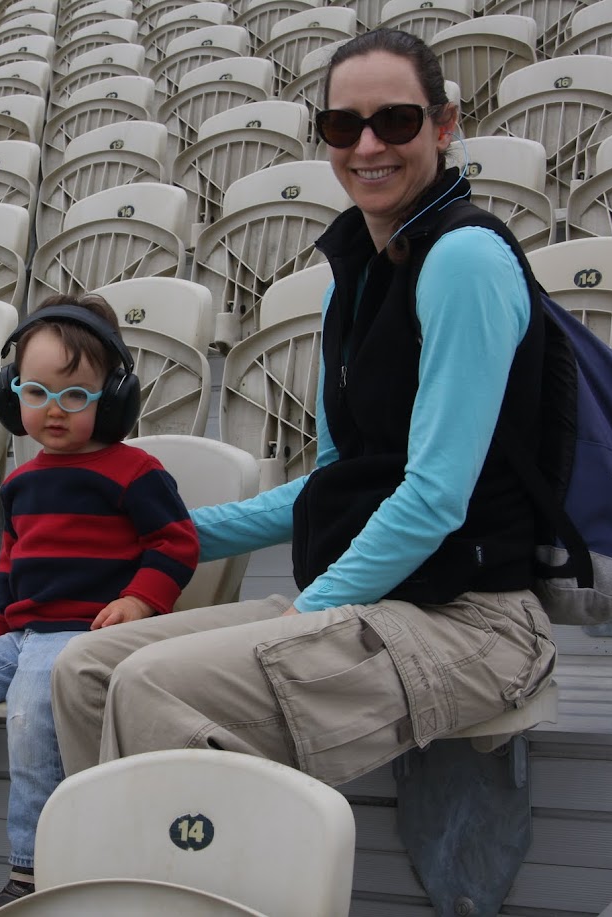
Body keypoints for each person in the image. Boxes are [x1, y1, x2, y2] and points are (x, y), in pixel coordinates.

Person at [50, 29, 558, 790]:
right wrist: (162, 534)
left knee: (153, 684)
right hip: (375, 603)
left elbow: (433, 497)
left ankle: (190, 855)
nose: (367, 145)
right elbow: (332, 480)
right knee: (85, 666)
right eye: (342, 125)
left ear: (443, 127)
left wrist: (307, 612)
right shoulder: (347, 283)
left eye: (395, 120)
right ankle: (109, 853)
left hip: (471, 619)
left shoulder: (464, 259)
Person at [0, 294, 200, 910]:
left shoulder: (136, 471)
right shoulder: (20, 483)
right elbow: (8, 571)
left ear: (113, 399)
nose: (54, 409)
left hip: (83, 633)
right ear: (10, 395)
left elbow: (176, 542)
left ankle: (32, 867)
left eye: (76, 395)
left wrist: (140, 601)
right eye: (36, 392)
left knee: (32, 709)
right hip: (21, 633)